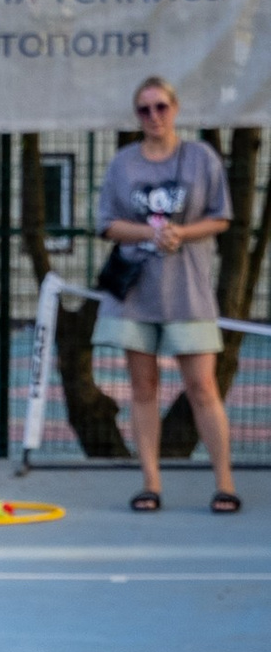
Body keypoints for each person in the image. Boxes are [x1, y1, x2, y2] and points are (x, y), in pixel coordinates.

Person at [96, 83, 240, 515]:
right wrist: (149, 234)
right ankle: (150, 483)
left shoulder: (201, 158)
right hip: (136, 294)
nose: (153, 115)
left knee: (202, 387)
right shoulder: (123, 164)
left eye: (161, 106)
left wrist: (182, 233)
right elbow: (106, 223)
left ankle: (225, 483)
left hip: (189, 294)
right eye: (144, 109)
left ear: (175, 109)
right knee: (143, 388)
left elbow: (221, 217)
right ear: (136, 115)